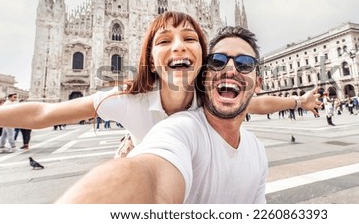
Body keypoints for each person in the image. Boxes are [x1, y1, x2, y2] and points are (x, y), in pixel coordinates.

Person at [0, 12, 320, 158]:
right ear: (150, 59)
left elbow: (257, 103)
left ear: (204, 57)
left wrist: (298, 102)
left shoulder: (207, 97)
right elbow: (43, 112)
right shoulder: (128, 100)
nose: (178, 46)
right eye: (164, 40)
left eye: (190, 38)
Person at [57, 26, 323, 204]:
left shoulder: (255, 151)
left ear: (259, 82)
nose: (230, 69)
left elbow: (258, 104)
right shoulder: (180, 130)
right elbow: (148, 174)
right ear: (204, 75)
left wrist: (299, 100)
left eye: (244, 64)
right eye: (218, 60)